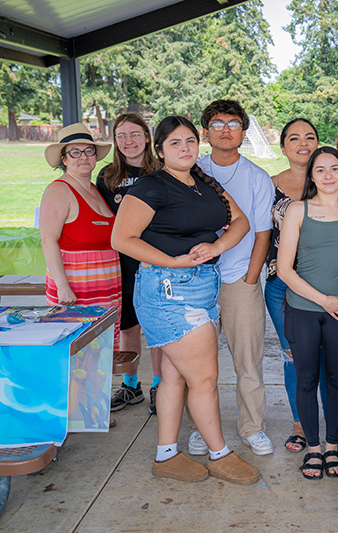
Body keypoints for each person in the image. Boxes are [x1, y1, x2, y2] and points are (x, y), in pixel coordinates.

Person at [112, 115, 258, 485]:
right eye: (175, 143)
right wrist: (174, 261)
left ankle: (166, 455)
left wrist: (216, 246)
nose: (185, 148)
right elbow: (123, 238)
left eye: (190, 141)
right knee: (205, 378)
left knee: (176, 375)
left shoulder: (204, 183)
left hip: (202, 286)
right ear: (159, 150)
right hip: (168, 290)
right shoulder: (150, 187)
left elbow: (240, 222)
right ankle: (219, 453)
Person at [277, 146, 338, 480]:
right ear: (311, 175)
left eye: (334, 169)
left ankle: (332, 445)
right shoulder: (297, 211)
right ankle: (314, 448)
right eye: (320, 170)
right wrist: (323, 300)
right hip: (303, 308)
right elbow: (285, 270)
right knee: (306, 378)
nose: (328, 175)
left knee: (336, 379)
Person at [195, 99, 275, 457]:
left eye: (232, 123)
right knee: (199, 364)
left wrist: (249, 278)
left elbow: (262, 234)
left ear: (244, 132)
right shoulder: (190, 170)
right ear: (205, 131)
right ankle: (202, 427)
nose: (225, 129)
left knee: (248, 360)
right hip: (194, 282)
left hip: (238, 280)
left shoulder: (256, 177)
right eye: (217, 123)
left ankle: (252, 427)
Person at [264, 118, 329, 453]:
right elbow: (262, 235)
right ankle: (300, 423)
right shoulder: (270, 184)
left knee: (329, 356)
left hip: (327, 286)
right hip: (282, 287)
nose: (303, 143)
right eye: (294, 138)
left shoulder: (330, 181)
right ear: (283, 145)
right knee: (294, 356)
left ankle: (333, 426)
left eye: (310, 137)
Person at [96, 112, 163, 415]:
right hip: (122, 262)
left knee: (159, 328)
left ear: (147, 137)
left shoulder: (162, 169)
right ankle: (131, 385)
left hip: (158, 259)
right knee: (129, 325)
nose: (128, 141)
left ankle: (161, 385)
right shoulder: (107, 175)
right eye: (121, 135)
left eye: (135, 134)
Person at [40, 123, 121, 348]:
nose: (83, 157)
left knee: (99, 358)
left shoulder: (95, 189)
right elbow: (48, 241)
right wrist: (62, 286)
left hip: (105, 288)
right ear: (64, 159)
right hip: (77, 289)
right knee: (77, 354)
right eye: (75, 152)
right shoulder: (59, 190)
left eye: (88, 150)